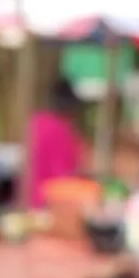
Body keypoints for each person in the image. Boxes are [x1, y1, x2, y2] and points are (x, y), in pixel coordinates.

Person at [26, 77, 86, 208]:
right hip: (49, 203)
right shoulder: (61, 130)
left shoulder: (34, 122)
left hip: (28, 200)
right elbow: (62, 176)